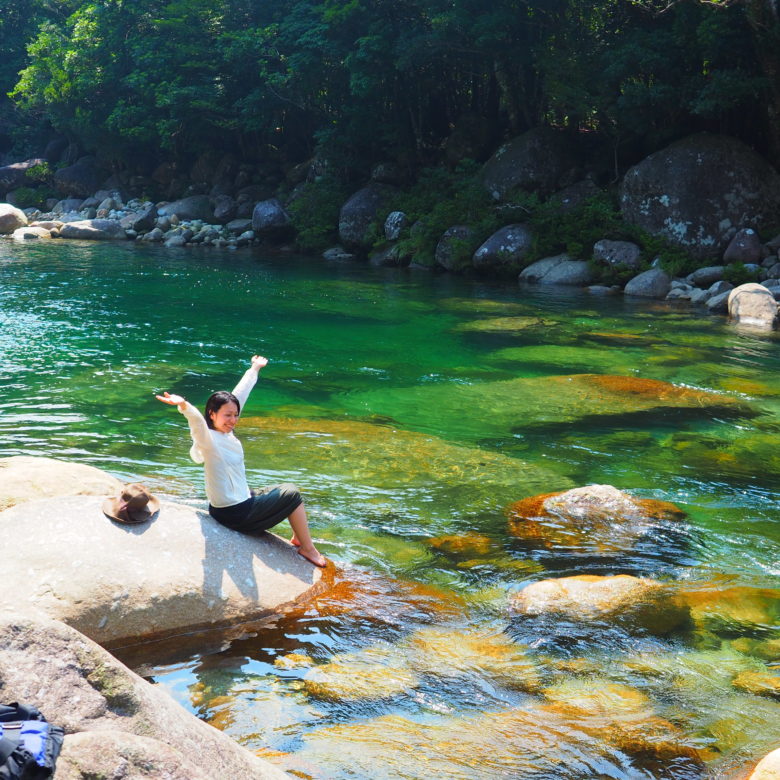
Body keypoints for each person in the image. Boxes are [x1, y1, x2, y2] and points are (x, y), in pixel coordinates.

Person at [156, 354, 327, 567]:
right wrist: (184, 406)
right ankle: (307, 549)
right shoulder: (209, 440)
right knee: (292, 493)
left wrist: (254, 369)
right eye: (228, 415)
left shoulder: (224, 432)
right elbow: (197, 424)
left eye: (235, 415)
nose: (233, 420)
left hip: (234, 504)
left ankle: (299, 537)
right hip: (235, 514)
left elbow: (239, 395)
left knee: (280, 490)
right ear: (212, 414)